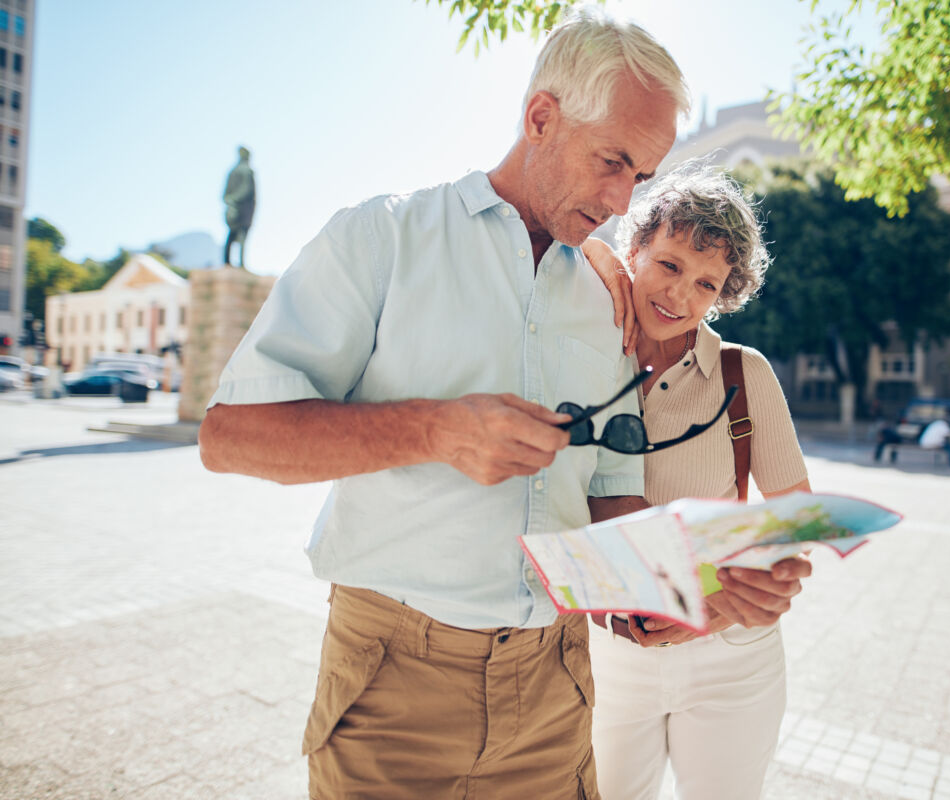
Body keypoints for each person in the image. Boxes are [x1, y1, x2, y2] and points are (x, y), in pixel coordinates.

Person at [197, 12, 806, 799]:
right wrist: (435, 428)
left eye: (642, 178)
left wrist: (704, 587)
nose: (623, 202)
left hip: (557, 691)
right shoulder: (382, 240)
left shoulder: (605, 299)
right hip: (393, 687)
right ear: (541, 117)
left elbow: (609, 499)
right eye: (612, 162)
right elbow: (229, 438)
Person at [581, 163, 811, 800]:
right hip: (609, 656)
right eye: (670, 265)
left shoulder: (745, 374)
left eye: (706, 283)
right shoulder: (585, 354)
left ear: (722, 297)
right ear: (636, 249)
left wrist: (702, 601)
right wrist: (596, 256)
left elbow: (797, 521)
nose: (680, 296)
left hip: (731, 657)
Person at [222, 146, 256, 268]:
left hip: (234, 206)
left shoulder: (233, 171)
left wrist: (230, 200)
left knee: (232, 235)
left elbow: (225, 194)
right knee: (241, 236)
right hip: (244, 208)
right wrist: (235, 200)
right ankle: (240, 263)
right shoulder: (247, 171)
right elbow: (247, 189)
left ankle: (227, 262)